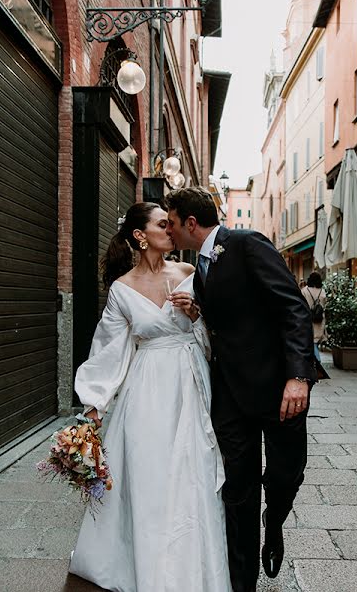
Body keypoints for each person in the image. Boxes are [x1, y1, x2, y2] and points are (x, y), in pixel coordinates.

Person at [70, 202, 231, 591]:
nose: (171, 230)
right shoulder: (121, 290)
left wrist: (197, 315)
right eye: (163, 224)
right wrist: (94, 408)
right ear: (140, 236)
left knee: (193, 474)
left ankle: (190, 570)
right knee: (149, 476)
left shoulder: (190, 273)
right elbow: (109, 350)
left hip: (192, 385)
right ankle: (147, 566)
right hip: (147, 392)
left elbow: (217, 331)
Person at [165, 187, 315, 592]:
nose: (170, 230)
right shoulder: (198, 267)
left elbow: (293, 308)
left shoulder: (247, 244)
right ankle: (241, 579)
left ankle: (276, 520)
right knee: (237, 487)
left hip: (277, 389)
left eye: (173, 222)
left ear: (191, 223)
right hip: (230, 396)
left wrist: (298, 376)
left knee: (285, 476)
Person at [301, 272, 326, 361]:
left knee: (311, 341)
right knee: (315, 341)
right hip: (319, 319)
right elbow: (324, 305)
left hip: (307, 318)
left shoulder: (304, 291)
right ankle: (316, 361)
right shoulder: (322, 291)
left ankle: (317, 361)